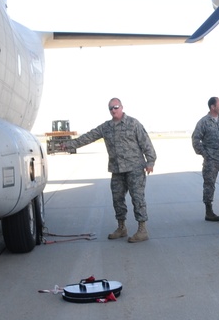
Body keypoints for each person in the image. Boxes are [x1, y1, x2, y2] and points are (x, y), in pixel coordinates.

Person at [65, 98, 156, 243]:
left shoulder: (133, 123)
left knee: (138, 199)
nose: (113, 110)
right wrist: (70, 145)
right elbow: (90, 136)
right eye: (110, 108)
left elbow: (146, 142)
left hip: (135, 169)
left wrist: (150, 161)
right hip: (117, 169)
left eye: (116, 107)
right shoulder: (106, 127)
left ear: (121, 107)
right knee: (117, 199)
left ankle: (142, 230)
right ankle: (121, 228)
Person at [192, 96, 219, 222]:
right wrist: (204, 153)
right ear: (213, 107)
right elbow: (195, 139)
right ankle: (209, 211)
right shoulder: (203, 122)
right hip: (211, 159)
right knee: (209, 184)